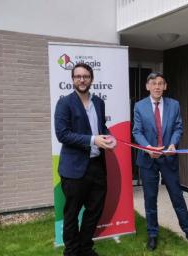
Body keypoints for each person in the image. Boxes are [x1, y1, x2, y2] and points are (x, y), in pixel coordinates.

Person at [54, 63, 116, 256]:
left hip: (97, 166)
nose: (82, 80)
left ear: (91, 79)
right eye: (78, 76)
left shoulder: (98, 102)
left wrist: (108, 136)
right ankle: (72, 252)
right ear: (72, 79)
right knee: (72, 214)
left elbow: (101, 128)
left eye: (86, 76)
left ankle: (85, 247)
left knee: (94, 211)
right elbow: (63, 135)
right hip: (74, 169)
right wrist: (93, 140)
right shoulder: (64, 103)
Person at [132, 72, 188, 251]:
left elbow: (178, 127)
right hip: (148, 160)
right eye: (153, 83)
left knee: (177, 196)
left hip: (168, 158)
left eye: (160, 83)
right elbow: (137, 131)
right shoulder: (139, 106)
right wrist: (147, 147)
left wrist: (173, 143)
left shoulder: (174, 105)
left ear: (165, 86)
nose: (157, 87)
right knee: (150, 199)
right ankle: (152, 234)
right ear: (147, 86)